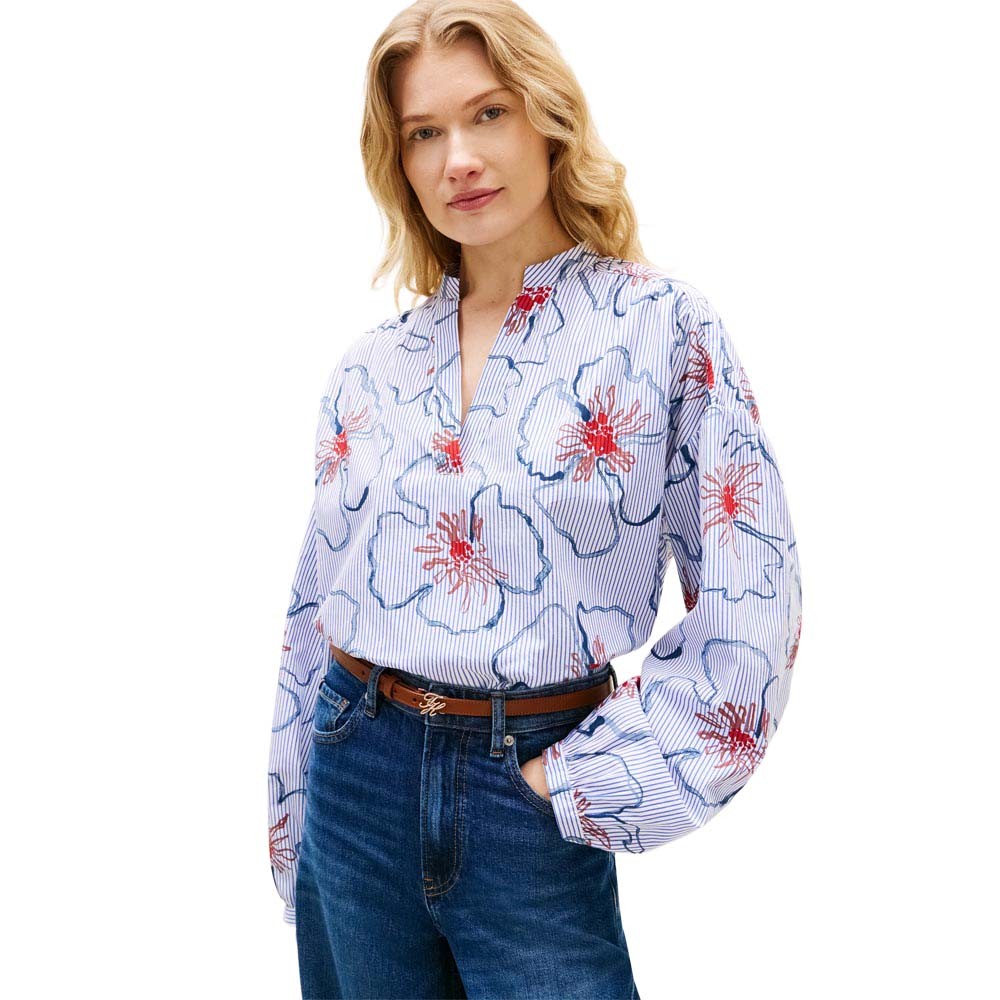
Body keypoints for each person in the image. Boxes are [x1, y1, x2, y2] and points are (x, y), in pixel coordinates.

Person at [267, 2, 803, 997]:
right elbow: (313, 613)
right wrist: (296, 817)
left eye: (488, 114)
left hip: (533, 787)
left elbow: (751, 599)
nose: (458, 159)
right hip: (355, 779)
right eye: (423, 134)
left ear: (548, 119)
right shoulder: (372, 367)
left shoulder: (661, 329)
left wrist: (580, 779)